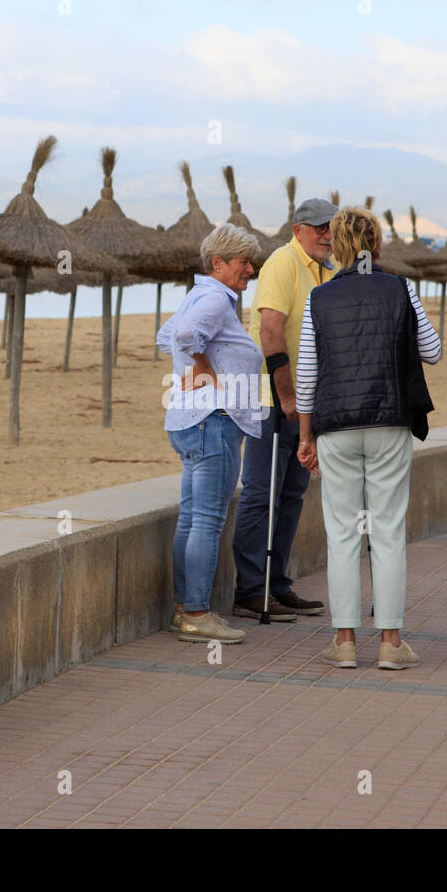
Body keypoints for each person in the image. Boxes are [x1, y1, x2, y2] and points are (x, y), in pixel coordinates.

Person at [296, 207, 440, 669]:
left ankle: (343, 642)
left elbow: (306, 378)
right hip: (389, 421)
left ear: (335, 246)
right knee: (388, 531)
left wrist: (306, 437)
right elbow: (432, 351)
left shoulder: (319, 299)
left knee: (341, 534)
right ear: (376, 244)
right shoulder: (401, 289)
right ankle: (391, 644)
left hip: (335, 425)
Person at [229, 197, 338, 621]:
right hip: (270, 402)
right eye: (318, 227)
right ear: (298, 230)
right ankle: (249, 591)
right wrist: (286, 395)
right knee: (260, 493)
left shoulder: (327, 270)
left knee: (293, 492)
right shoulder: (282, 262)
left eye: (331, 226)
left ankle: (278, 585)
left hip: (305, 405)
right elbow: (271, 330)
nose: (327, 233)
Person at [156, 223, 264, 643]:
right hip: (213, 420)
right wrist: (201, 365)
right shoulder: (217, 297)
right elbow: (182, 336)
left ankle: (185, 608)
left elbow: (166, 335)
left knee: (192, 518)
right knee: (207, 519)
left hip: (188, 420)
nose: (250, 270)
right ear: (217, 263)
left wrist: (196, 361)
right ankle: (198, 614)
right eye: (243, 262)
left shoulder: (199, 295)